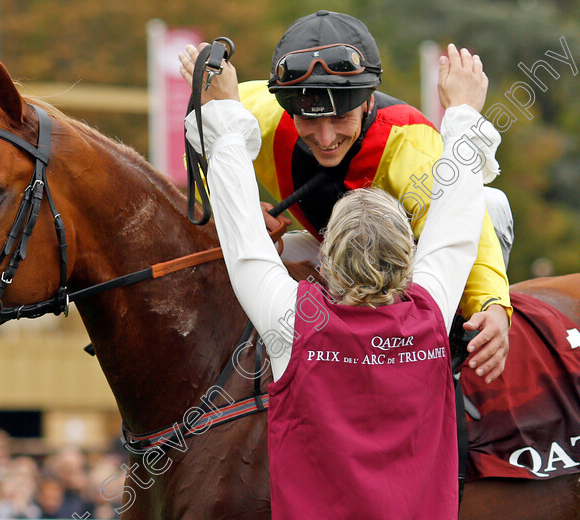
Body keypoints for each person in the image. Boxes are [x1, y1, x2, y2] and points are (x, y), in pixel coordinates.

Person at [181, 33, 497, 519]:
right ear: (408, 255)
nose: (325, 136)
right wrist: (463, 112)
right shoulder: (432, 309)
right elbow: (457, 227)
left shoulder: (291, 322)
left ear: (325, 263)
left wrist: (220, 110)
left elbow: (243, 242)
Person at [180, 10, 511, 383]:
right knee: (216, 249)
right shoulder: (256, 110)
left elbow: (467, 229)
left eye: (340, 119)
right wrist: (238, 209)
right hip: (326, 245)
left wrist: (493, 305)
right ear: (287, 107)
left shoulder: (411, 145)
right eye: (308, 119)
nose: (325, 139)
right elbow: (201, 144)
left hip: (408, 256)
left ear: (367, 102)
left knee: (489, 202)